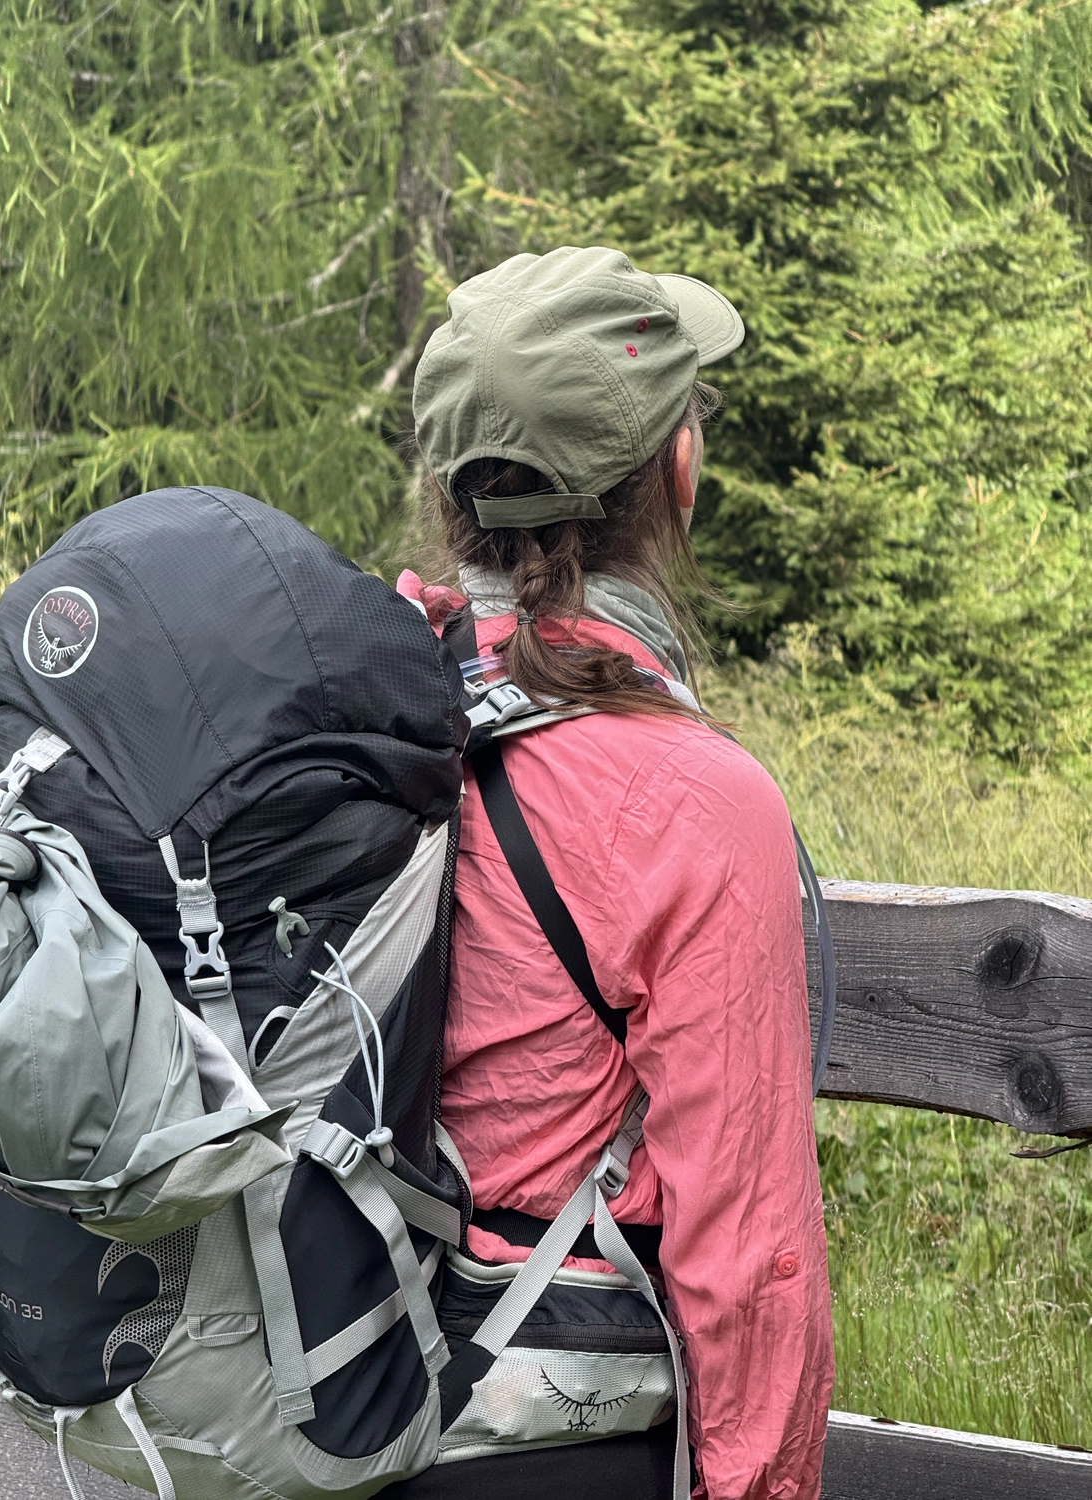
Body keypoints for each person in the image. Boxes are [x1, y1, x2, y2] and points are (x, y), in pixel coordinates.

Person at [388, 246, 833, 1500]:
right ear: (677, 473)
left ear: (450, 490)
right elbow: (749, 1254)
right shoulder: (696, 800)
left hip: (324, 1386)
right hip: (546, 1424)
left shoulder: (369, 698)